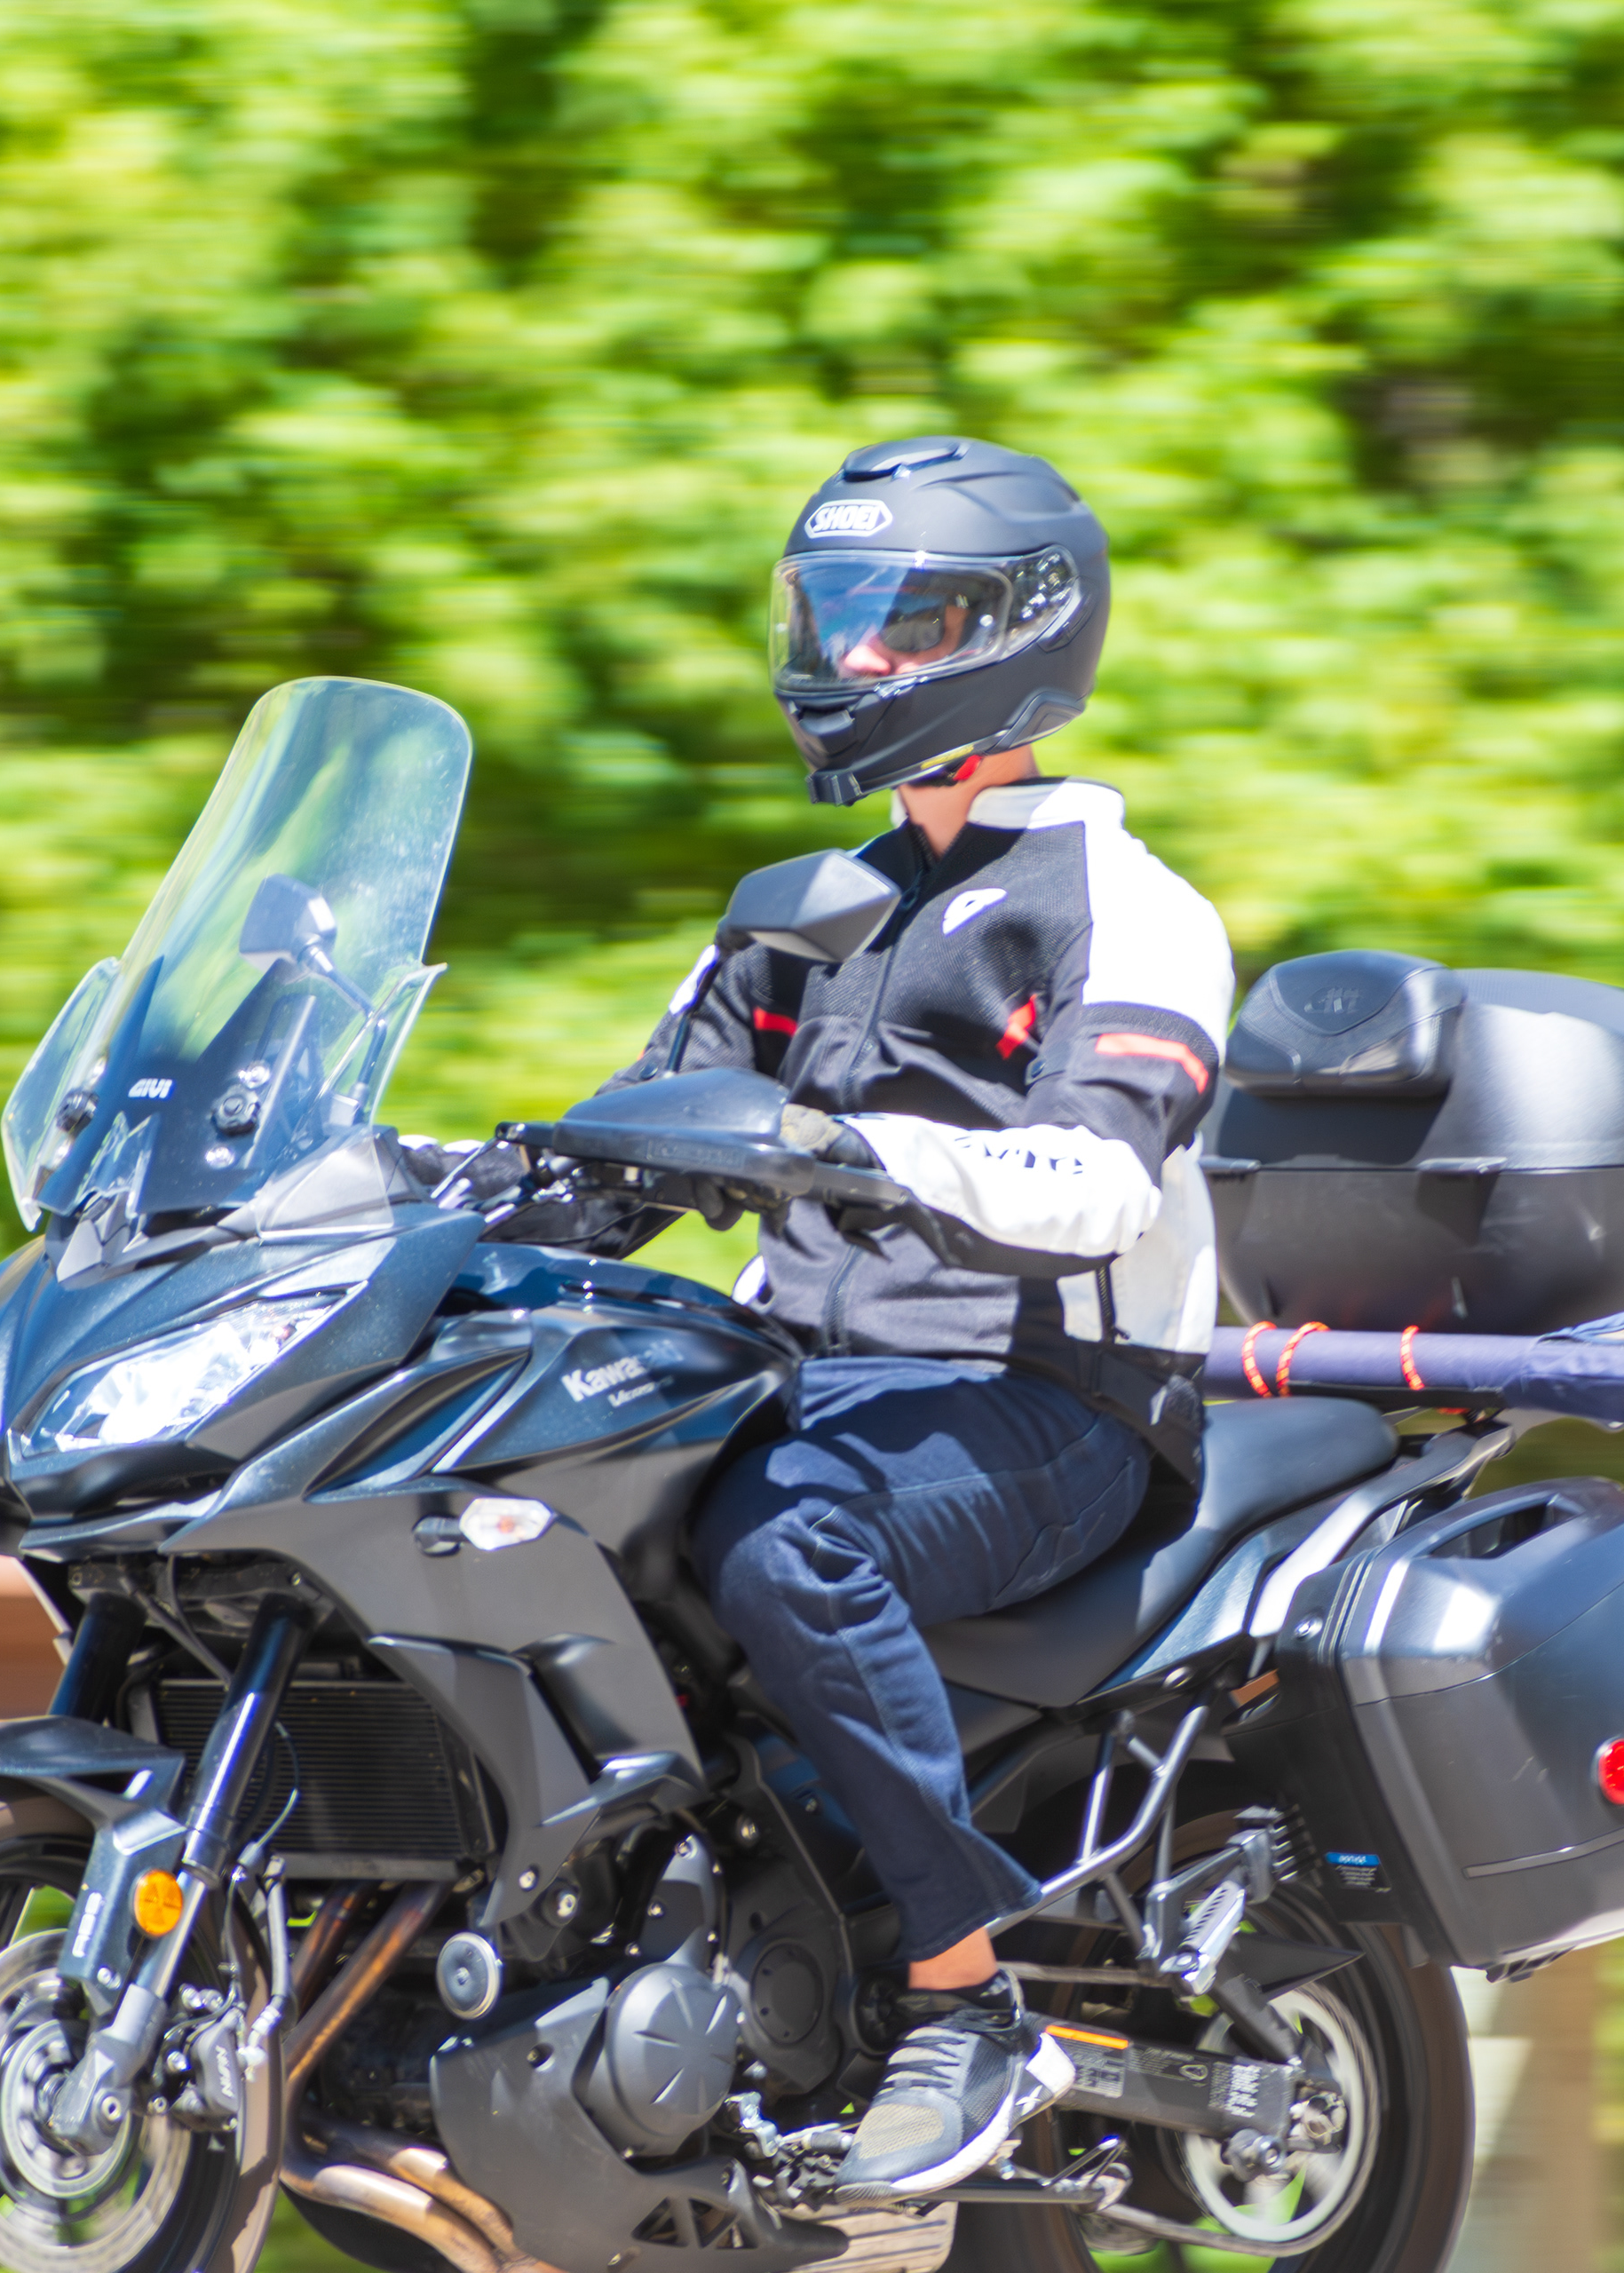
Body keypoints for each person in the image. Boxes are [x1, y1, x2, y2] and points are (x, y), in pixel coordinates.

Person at [593, 438, 1234, 2198]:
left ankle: (970, 1986)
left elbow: (1103, 1179)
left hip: (1048, 1399)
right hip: (807, 1380)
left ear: (1014, 633)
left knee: (787, 1540)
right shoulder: (793, 911)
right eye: (833, 621)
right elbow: (638, 1130)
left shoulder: (1128, 905)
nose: (848, 663)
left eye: (896, 626)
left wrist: (860, 1144)